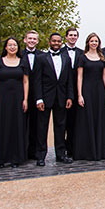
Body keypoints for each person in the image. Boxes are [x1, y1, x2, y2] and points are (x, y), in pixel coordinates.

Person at [33, 32, 74, 165]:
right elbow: (37, 80)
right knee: (42, 127)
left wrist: (69, 96)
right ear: (49, 42)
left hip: (61, 97)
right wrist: (38, 98)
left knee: (61, 126)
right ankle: (40, 156)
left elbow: (69, 80)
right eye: (54, 41)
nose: (56, 43)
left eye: (58, 41)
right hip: (45, 98)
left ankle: (61, 154)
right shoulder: (41, 58)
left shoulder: (66, 58)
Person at [0, 37, 29, 168]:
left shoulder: (23, 62)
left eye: (15, 45)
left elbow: (25, 81)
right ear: (5, 47)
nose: (12, 47)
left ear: (18, 47)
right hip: (1, 98)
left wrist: (25, 99)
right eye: (9, 45)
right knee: (1, 126)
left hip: (17, 98)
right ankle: (0, 159)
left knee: (16, 126)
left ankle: (15, 158)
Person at [73, 33, 105, 160]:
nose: (94, 43)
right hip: (87, 90)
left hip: (99, 90)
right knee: (86, 118)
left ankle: (99, 150)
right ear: (88, 42)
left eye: (96, 41)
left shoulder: (102, 57)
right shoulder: (82, 57)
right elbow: (79, 76)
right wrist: (79, 95)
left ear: (99, 43)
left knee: (99, 118)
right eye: (92, 41)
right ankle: (87, 151)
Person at [21, 30, 41, 160]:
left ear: (37, 41)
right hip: (21, 93)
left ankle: (34, 151)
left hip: (38, 93)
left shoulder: (43, 56)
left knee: (36, 123)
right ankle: (21, 152)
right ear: (25, 40)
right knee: (21, 123)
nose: (32, 41)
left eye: (34, 39)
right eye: (30, 38)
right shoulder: (19, 55)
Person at [62, 27, 82, 158]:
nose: (73, 37)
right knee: (62, 121)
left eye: (75, 35)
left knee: (75, 120)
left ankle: (73, 148)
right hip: (62, 91)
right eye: (71, 35)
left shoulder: (82, 53)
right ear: (66, 37)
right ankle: (61, 149)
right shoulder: (60, 51)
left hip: (77, 90)